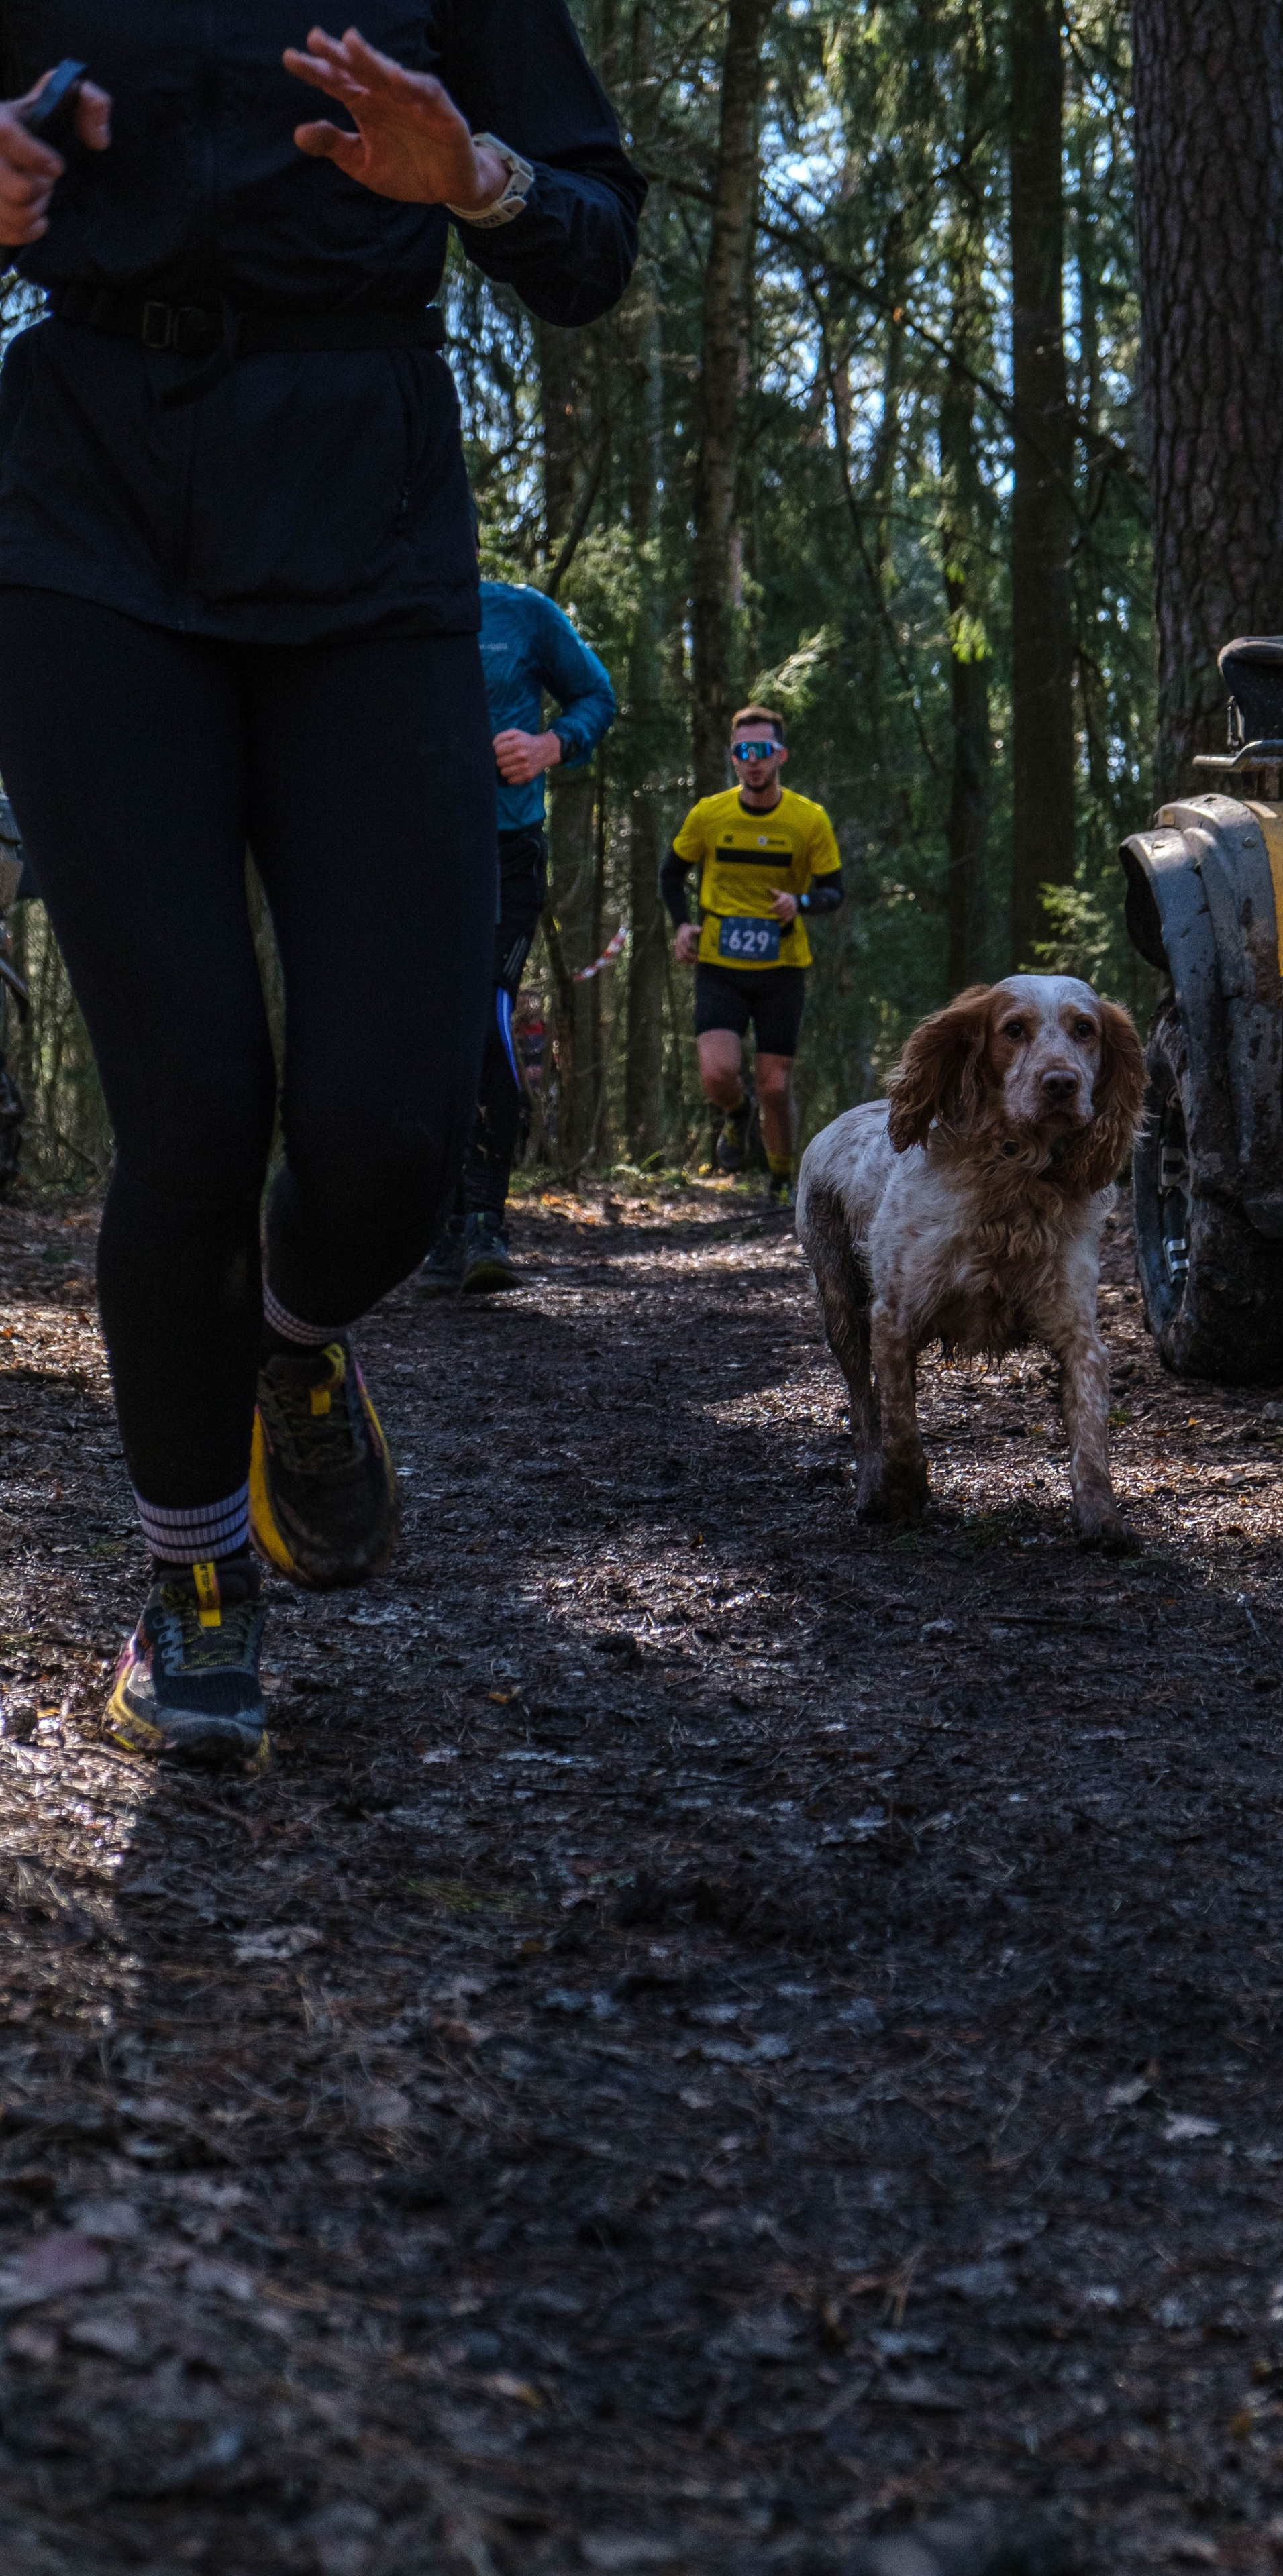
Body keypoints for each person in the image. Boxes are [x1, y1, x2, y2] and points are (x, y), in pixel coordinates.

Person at [0, 20, 643, 1774]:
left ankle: (291, 1347)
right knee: (192, 1108)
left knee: (391, 1134)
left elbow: (592, 241)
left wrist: (479, 180)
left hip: (369, 528)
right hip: (85, 534)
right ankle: (196, 1592)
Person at [418, 578, 615, 1295]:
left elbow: (598, 697)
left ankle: (484, 1224)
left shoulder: (522, 612)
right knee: (429, 1031)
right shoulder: (381, 611)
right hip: (414, 851)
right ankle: (436, 1225)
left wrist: (549, 745)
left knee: (485, 1016)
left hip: (506, 851)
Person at [660, 707, 843, 1199]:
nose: (752, 761)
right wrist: (682, 926)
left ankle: (782, 1180)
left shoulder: (809, 820)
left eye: (762, 751)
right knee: (719, 1074)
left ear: (780, 755)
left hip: (782, 968)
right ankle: (736, 1115)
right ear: (734, 758)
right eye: (743, 752)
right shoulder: (710, 814)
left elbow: (834, 892)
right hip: (720, 964)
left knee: (775, 1087)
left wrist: (798, 903)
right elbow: (671, 874)